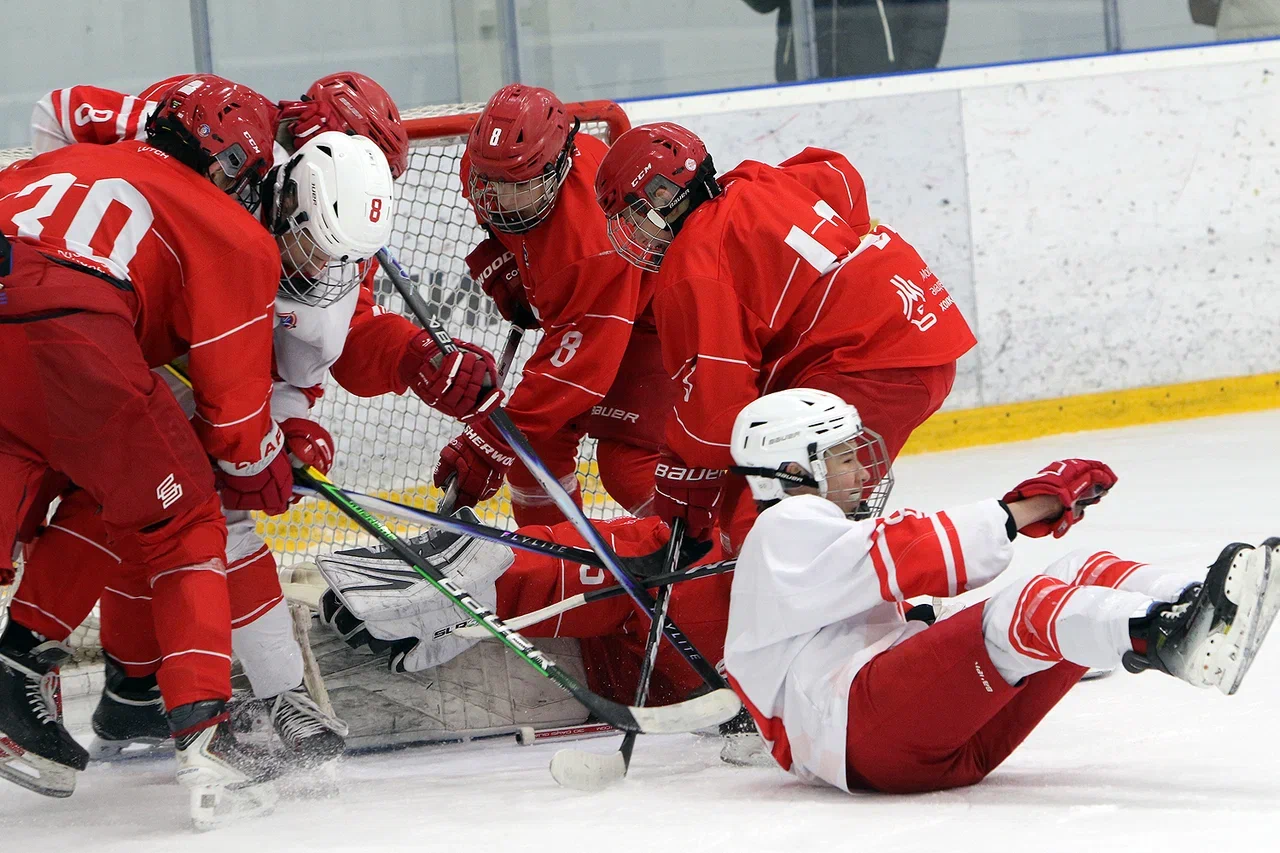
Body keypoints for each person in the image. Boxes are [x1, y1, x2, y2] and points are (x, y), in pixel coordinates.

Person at [7, 75, 502, 773]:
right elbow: (59, 113)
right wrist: (253, 450)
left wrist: (398, 366)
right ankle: (222, 701)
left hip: (133, 350)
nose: (332, 267)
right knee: (171, 512)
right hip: (118, 337)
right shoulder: (213, 141)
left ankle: (138, 690)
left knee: (145, 504)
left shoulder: (331, 235)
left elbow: (307, 365)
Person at [722, 388, 1279, 793]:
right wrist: (1020, 510)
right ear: (791, 470)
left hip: (899, 742)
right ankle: (1170, 639)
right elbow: (909, 550)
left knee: (1081, 570)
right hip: (858, 737)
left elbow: (912, 606)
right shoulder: (783, 527)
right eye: (845, 459)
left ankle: (1210, 605)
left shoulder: (811, 546)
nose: (864, 474)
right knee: (1023, 610)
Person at [0, 76, 288, 810]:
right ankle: (205, 731)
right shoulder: (230, 230)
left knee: (100, 484)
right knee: (183, 517)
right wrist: (257, 461)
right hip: (69, 330)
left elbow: (57, 106)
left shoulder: (58, 160)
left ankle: (13, 676)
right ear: (230, 166)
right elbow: (233, 414)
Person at [593, 121, 975, 553]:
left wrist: (679, 474)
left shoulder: (694, 264)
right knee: (786, 512)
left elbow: (716, 417)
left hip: (874, 362)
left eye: (634, 214)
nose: (633, 231)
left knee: (768, 525)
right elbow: (838, 175)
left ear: (663, 194)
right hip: (912, 327)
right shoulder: (755, 180)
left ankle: (892, 587)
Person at [433, 84, 675, 527]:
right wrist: (503, 258)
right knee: (534, 453)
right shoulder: (489, 167)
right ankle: (556, 559)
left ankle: (711, 552)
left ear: (557, 168)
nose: (500, 199)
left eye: (517, 186)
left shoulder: (592, 242)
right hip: (605, 315)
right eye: (490, 183)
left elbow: (576, 372)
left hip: (661, 319)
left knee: (628, 464)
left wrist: (490, 441)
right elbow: (498, 213)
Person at [313, 510, 730, 712]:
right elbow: (654, 561)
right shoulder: (708, 578)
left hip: (610, 690)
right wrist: (502, 582)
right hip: (590, 661)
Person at [742, 0, 949, 82]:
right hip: (801, 84)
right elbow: (763, 3)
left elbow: (928, 16)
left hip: (882, 83)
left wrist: (911, 76)